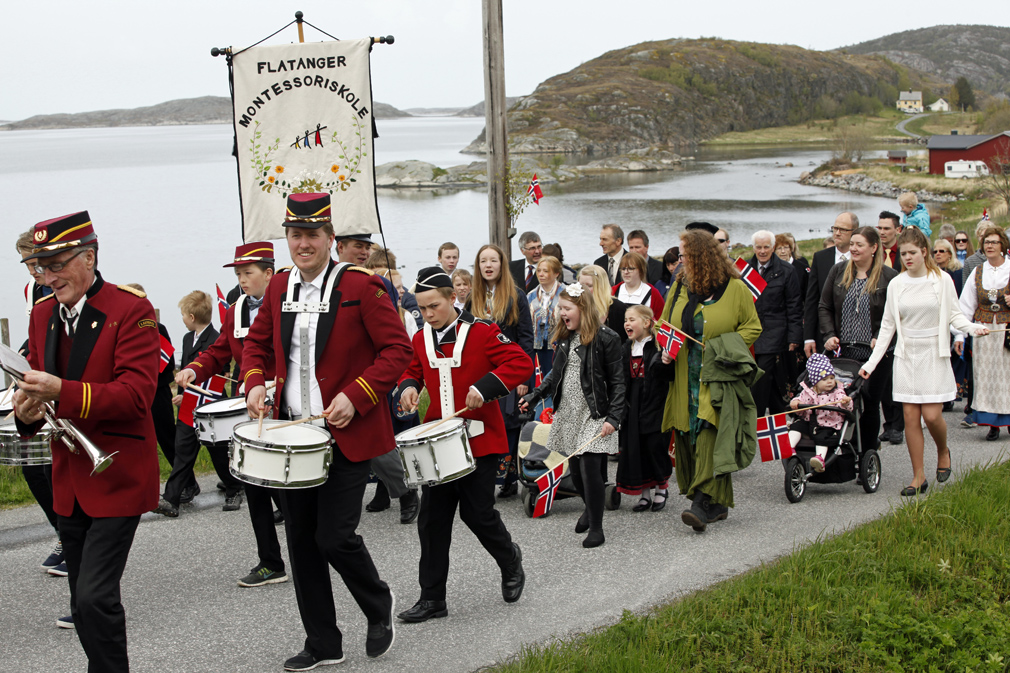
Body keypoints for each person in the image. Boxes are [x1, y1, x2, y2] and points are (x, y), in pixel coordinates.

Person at [243, 193, 411, 669]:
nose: (302, 244)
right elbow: (256, 346)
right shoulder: (277, 287)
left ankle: (378, 604)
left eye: (312, 235)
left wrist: (356, 396)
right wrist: (255, 383)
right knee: (301, 541)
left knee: (334, 537)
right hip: (293, 437)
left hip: (347, 433)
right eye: (295, 235)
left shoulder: (361, 286)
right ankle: (323, 643)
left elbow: (396, 352)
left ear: (330, 239)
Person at [14, 211, 161, 671]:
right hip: (70, 478)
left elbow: (137, 395)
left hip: (117, 472)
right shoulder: (41, 314)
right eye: (40, 267)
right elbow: (41, 393)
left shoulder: (131, 309)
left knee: (96, 597)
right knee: (81, 605)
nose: (47, 276)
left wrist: (61, 391)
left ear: (89, 257)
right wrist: (27, 412)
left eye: (56, 264)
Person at [395, 267, 530, 622]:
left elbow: (520, 362)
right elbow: (413, 370)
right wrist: (408, 386)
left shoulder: (483, 331)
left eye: (433, 306)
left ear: (452, 298)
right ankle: (432, 598)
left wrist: (484, 388)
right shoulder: (421, 337)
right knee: (432, 520)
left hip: (480, 443)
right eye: (421, 308)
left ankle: (510, 560)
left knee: (477, 514)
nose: (427, 315)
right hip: (439, 445)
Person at [173, 243, 290, 588]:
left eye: (247, 273)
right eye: (238, 274)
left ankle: (311, 550)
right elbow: (220, 349)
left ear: (269, 273)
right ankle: (270, 562)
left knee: (288, 486)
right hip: (246, 406)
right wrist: (195, 368)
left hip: (282, 405)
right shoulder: (235, 309)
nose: (241, 280)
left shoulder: (288, 304)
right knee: (253, 483)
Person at [861, 226, 988, 495]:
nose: (907, 258)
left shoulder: (941, 280)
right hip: (906, 355)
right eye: (903, 254)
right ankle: (918, 476)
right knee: (910, 417)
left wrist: (972, 328)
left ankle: (943, 451)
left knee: (931, 416)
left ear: (924, 252)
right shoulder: (896, 283)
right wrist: (870, 365)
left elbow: (955, 316)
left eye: (912, 253)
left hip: (933, 352)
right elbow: (887, 327)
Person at [659, 228, 762, 532]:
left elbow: (752, 327)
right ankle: (715, 503)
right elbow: (663, 326)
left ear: (702, 256)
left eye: (686, 254)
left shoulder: (735, 289)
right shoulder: (678, 287)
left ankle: (701, 503)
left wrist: (722, 347)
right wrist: (665, 347)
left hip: (717, 375)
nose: (681, 260)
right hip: (683, 378)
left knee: (709, 433)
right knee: (689, 436)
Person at [520, 281, 625, 547]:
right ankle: (590, 509)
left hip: (595, 412)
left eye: (567, 308)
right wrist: (535, 396)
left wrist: (614, 417)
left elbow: (618, 382)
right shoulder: (565, 337)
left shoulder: (607, 338)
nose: (561, 314)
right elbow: (556, 374)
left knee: (590, 469)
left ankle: (597, 528)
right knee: (576, 473)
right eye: (560, 309)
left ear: (582, 308)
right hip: (569, 411)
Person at [337, 235, 419, 524]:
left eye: (365, 246)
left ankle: (406, 491)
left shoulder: (375, 282)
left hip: (369, 376)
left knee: (377, 444)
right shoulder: (327, 282)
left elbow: (392, 337)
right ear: (339, 247)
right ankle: (385, 492)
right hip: (334, 378)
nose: (362, 251)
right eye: (355, 245)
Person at [154, 291, 244, 517]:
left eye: (183, 315)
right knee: (182, 449)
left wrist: (189, 396)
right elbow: (187, 369)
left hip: (211, 402)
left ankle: (234, 487)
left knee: (218, 452)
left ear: (192, 317)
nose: (182, 320)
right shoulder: (187, 339)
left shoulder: (215, 338)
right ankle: (171, 499)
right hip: (189, 405)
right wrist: (183, 394)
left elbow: (219, 374)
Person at [817, 226, 898, 452]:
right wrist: (830, 334)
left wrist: (878, 338)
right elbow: (824, 306)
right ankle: (846, 448)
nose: (853, 248)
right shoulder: (838, 272)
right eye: (852, 244)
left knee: (870, 403)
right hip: (845, 352)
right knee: (843, 400)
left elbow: (895, 316)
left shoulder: (889, 277)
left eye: (859, 245)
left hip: (876, 353)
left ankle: (868, 452)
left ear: (873, 248)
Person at [14, 229, 62, 572]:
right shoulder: (33, 289)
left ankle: (72, 539)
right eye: (28, 265)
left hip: (61, 386)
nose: (32, 272)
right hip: (38, 382)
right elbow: (37, 333)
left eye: (35, 263)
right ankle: (62, 531)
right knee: (32, 466)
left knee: (52, 467)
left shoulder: (64, 284)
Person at [469, 244, 535, 498]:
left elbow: (526, 339)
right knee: (483, 421)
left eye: (493, 260)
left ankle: (509, 477)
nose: (488, 265)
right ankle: (484, 477)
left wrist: (524, 378)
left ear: (501, 264)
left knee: (508, 425)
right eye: (483, 260)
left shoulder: (516, 295)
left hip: (508, 370)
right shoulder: (473, 297)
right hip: (481, 372)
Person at [616, 305, 673, 511]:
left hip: (654, 403)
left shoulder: (657, 347)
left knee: (654, 446)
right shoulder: (626, 348)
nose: (627, 324)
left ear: (647, 323)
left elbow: (666, 376)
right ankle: (645, 493)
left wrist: (666, 361)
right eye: (625, 320)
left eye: (632, 320)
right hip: (633, 404)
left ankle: (661, 488)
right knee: (636, 447)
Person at [958, 226, 1010, 442]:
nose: (989, 246)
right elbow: (965, 306)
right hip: (983, 332)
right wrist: (960, 335)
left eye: (994, 242)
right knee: (986, 378)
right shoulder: (978, 272)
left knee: (1007, 377)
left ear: (1003, 246)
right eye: (986, 242)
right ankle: (992, 425)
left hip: (1007, 333)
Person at [747, 230, 802, 416]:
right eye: (758, 247)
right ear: (753, 248)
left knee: (762, 374)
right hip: (751, 331)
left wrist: (794, 335)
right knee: (763, 377)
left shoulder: (786, 271)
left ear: (773, 248)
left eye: (766, 247)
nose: (762, 251)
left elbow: (794, 305)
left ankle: (757, 416)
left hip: (775, 331)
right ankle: (778, 411)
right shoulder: (743, 271)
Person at [788, 354, 853, 473]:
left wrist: (846, 402)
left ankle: (820, 458)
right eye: (824, 379)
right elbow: (799, 400)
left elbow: (848, 407)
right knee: (795, 427)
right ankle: (789, 447)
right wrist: (795, 403)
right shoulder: (808, 392)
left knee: (822, 437)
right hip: (809, 422)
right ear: (815, 382)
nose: (829, 382)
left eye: (831, 378)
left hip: (827, 424)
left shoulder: (837, 392)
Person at [804, 212, 855, 357]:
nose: (837, 233)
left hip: (854, 336)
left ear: (855, 232)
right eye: (835, 228)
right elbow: (812, 299)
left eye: (843, 230)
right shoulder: (821, 258)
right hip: (824, 334)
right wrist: (808, 337)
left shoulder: (861, 258)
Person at [527, 255, 563, 378]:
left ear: (556, 273)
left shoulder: (565, 293)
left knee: (554, 378)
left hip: (556, 345)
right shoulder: (531, 295)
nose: (541, 274)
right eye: (539, 271)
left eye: (545, 271)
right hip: (536, 344)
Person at [578, 265, 629, 343]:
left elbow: (624, 341)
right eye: (581, 285)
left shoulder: (618, 308)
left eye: (589, 285)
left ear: (601, 286)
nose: (584, 289)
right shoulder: (575, 307)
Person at [613, 252, 666, 320]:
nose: (626, 272)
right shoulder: (613, 291)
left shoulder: (652, 293)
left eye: (631, 269)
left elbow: (661, 320)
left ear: (641, 270)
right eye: (623, 269)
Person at [774, 234, 809, 300]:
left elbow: (808, 293)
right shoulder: (770, 268)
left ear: (791, 249)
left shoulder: (802, 267)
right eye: (779, 248)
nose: (783, 251)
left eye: (786, 247)